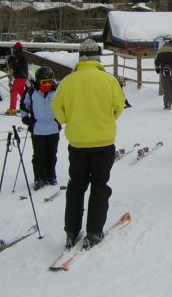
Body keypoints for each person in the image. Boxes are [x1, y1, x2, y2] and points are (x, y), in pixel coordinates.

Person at [52, 38, 125, 250]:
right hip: (103, 142)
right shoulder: (109, 80)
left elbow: (58, 111)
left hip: (78, 143)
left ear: (80, 58)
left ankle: (71, 231)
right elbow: (118, 108)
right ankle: (94, 231)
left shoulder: (67, 82)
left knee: (76, 186)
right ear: (97, 58)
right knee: (100, 186)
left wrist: (70, 120)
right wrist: (105, 119)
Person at [20, 66, 61, 191]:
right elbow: (23, 106)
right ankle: (40, 177)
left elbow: (64, 104)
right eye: (44, 82)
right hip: (37, 129)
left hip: (53, 128)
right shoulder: (31, 92)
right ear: (38, 81)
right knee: (39, 155)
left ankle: (51, 175)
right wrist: (26, 118)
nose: (48, 85)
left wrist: (61, 118)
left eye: (50, 81)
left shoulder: (57, 91)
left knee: (52, 154)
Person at [154, 35, 172, 110]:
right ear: (171, 42)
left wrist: (157, 69)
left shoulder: (159, 51)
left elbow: (156, 62)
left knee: (166, 88)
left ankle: (167, 104)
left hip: (164, 73)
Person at [6, 41, 29, 115]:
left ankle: (12, 108)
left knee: (14, 91)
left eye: (15, 48)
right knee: (21, 92)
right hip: (22, 76)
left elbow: (16, 65)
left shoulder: (19, 55)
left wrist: (12, 63)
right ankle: (28, 105)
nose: (14, 49)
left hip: (20, 77)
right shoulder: (20, 54)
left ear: (18, 48)